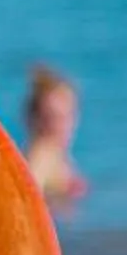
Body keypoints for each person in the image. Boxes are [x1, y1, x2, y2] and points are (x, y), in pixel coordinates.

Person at [24, 67, 89, 208]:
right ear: (32, 119)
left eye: (66, 116)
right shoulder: (42, 155)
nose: (60, 126)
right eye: (51, 117)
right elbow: (27, 201)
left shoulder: (58, 157)